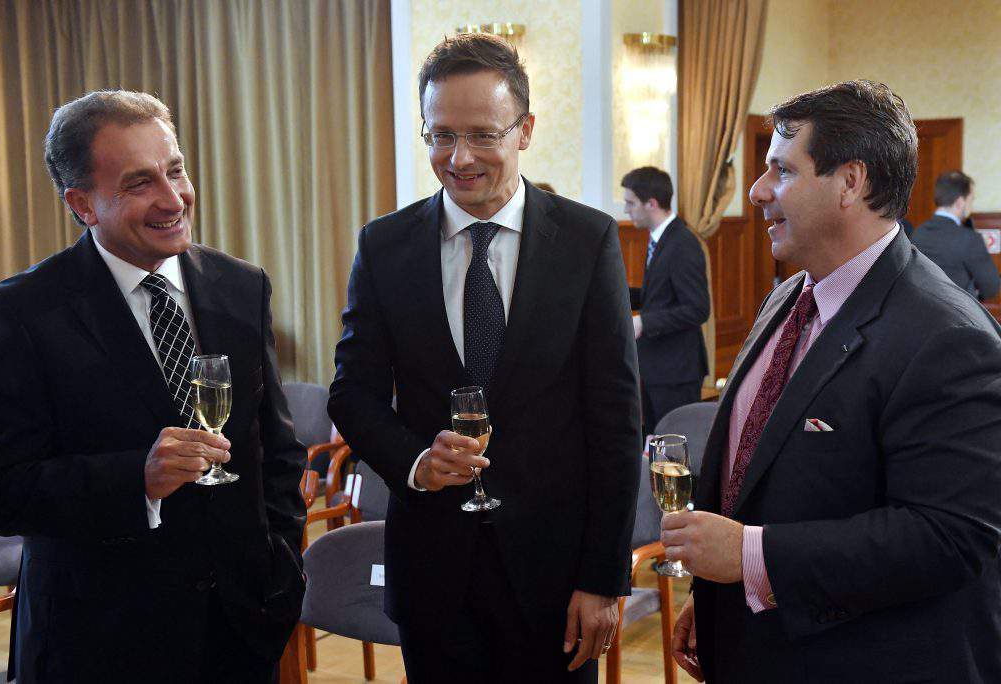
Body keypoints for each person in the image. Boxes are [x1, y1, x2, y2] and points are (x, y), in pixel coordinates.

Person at [660, 80, 1001, 683]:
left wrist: (749, 557)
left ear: (851, 182)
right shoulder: (788, 296)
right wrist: (718, 595)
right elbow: (756, 474)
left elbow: (948, 537)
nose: (757, 190)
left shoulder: (949, 336)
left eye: (782, 170)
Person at [328, 33, 640, 683]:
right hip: (433, 571)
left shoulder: (586, 241)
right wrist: (415, 461)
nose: (459, 157)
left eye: (482, 135)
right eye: (441, 135)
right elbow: (352, 394)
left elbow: (615, 419)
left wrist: (603, 577)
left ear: (525, 130)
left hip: (555, 577)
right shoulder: (384, 246)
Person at [0, 90, 306, 683]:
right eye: (138, 183)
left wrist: (281, 573)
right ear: (82, 203)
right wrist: (137, 479)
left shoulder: (241, 285)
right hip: (99, 643)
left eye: (175, 171)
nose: (173, 199)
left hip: (240, 631)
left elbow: (275, 451)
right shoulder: (18, 314)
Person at [621, 166, 709, 433]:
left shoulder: (683, 243)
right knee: (657, 441)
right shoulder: (661, 239)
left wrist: (644, 323)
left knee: (674, 444)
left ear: (651, 203)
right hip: (659, 367)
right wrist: (614, 293)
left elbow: (697, 308)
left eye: (631, 203)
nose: (626, 210)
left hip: (676, 371)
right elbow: (660, 296)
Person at [911, 170, 999, 300]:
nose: (971, 206)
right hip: (959, 310)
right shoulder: (970, 239)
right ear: (960, 202)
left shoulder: (918, 233)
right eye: (971, 200)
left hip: (920, 309)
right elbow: (991, 288)